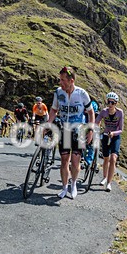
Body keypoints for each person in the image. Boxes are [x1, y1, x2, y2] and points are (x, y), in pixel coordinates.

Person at [47, 66, 95, 199]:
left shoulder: (82, 93)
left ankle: (73, 184)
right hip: (64, 129)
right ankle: (64, 187)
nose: (60, 83)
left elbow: (90, 112)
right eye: (60, 80)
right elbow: (54, 110)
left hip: (78, 130)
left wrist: (90, 130)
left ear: (71, 81)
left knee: (75, 162)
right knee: (64, 160)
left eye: (63, 80)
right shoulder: (58, 92)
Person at [96, 92, 124, 192]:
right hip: (105, 135)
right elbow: (97, 121)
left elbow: (121, 129)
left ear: (116, 103)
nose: (110, 104)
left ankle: (109, 183)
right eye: (109, 102)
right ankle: (104, 177)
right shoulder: (104, 111)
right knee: (106, 158)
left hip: (115, 137)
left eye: (113, 102)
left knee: (113, 158)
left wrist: (113, 133)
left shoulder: (120, 112)